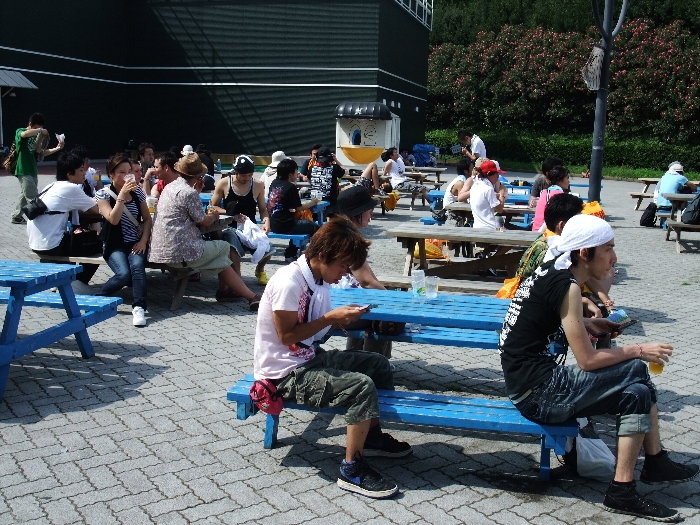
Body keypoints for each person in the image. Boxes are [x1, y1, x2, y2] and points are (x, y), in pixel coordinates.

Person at [499, 214, 698, 522]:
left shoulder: (552, 270)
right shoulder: (568, 287)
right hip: (538, 393)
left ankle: (623, 489)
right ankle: (655, 461)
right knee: (635, 368)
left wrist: (591, 323)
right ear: (584, 253)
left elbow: (547, 319)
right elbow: (588, 361)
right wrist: (638, 349)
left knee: (637, 393)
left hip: (527, 384)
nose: (614, 258)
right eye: (608, 249)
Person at [253, 217, 412, 499]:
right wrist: (330, 318)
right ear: (323, 256)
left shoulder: (317, 280)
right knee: (360, 386)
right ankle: (352, 469)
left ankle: (371, 436)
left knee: (377, 364)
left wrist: (350, 320)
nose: (345, 274)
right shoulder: (289, 282)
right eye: (343, 266)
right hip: (283, 376)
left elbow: (316, 329)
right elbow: (287, 336)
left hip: (307, 359)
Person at [148, 153, 261, 310]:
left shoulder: (169, 187)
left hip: (159, 251)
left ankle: (246, 295)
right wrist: (214, 216)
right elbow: (204, 221)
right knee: (224, 247)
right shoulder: (188, 193)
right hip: (180, 253)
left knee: (219, 256)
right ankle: (228, 291)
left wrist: (197, 192)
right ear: (198, 176)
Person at [94, 154, 152, 327]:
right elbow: (113, 219)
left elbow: (147, 219)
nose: (128, 176)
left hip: (135, 241)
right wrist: (121, 195)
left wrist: (143, 241)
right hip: (114, 244)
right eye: (122, 172)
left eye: (129, 172)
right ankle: (99, 297)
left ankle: (139, 307)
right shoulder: (102, 194)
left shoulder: (138, 192)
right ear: (111, 175)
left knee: (137, 267)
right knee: (124, 275)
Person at [334, 186, 392, 356]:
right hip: (333, 310)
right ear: (357, 212)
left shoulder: (336, 231)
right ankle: (374, 361)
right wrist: (394, 301)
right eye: (369, 208)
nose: (372, 212)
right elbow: (366, 281)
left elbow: (368, 275)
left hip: (327, 302)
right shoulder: (350, 240)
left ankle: (354, 355)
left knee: (366, 300)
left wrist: (385, 292)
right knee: (382, 313)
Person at [27, 152, 100, 287]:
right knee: (97, 245)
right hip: (52, 245)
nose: (84, 174)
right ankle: (78, 284)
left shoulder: (51, 186)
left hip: (35, 242)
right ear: (69, 174)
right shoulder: (71, 188)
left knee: (79, 241)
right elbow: (96, 209)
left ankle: (65, 283)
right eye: (81, 170)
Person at [211, 155, 274, 286]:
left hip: (249, 227)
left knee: (269, 249)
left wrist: (266, 221)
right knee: (232, 243)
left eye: (250, 175)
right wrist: (232, 214)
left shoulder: (258, 185)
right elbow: (213, 206)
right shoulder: (224, 183)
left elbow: (263, 209)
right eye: (243, 175)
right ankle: (238, 278)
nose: (247, 178)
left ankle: (260, 270)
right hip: (229, 225)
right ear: (235, 172)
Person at [12, 113, 65, 224]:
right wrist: (40, 131)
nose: (38, 130)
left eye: (40, 127)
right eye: (36, 127)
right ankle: (39, 220)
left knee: (24, 195)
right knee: (33, 197)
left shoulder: (35, 138)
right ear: (30, 124)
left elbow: (42, 152)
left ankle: (16, 216)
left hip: (33, 170)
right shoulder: (20, 131)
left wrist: (57, 148)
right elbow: (24, 134)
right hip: (23, 170)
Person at [267, 158, 320, 262]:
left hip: (273, 224)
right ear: (290, 174)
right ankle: (315, 255)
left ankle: (290, 254)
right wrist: (313, 202)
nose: (297, 174)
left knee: (300, 223)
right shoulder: (290, 187)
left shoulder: (274, 183)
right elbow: (299, 208)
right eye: (296, 171)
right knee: (314, 227)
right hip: (286, 225)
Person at [531, 166, 571, 232]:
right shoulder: (559, 196)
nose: (568, 181)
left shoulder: (544, 192)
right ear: (559, 181)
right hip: (544, 233)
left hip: (535, 230)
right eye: (567, 178)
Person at [309, 147, 343, 213]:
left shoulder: (312, 169)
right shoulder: (334, 168)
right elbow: (345, 171)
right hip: (331, 202)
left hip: (315, 201)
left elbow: (308, 178)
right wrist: (336, 160)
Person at [444, 158, 471, 226]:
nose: (474, 170)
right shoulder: (460, 183)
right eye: (472, 168)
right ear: (466, 171)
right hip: (451, 214)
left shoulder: (462, 179)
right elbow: (463, 202)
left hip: (457, 211)